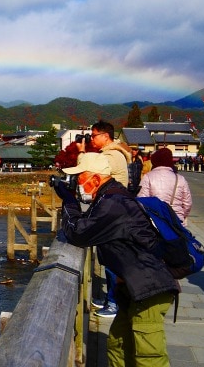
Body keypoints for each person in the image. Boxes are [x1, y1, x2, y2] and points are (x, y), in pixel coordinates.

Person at [55, 153, 178, 367]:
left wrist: (69, 201)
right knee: (117, 345)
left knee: (149, 356)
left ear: (95, 178)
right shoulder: (109, 196)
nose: (76, 182)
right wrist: (73, 200)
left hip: (150, 288)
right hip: (133, 287)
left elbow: (78, 233)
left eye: (79, 177)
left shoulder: (114, 203)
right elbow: (88, 226)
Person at [79, 120, 132, 318]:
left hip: (114, 212)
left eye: (94, 135)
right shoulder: (114, 153)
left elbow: (90, 173)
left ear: (105, 136)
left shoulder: (111, 156)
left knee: (113, 260)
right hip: (115, 209)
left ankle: (114, 302)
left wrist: (82, 154)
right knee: (111, 258)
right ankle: (111, 298)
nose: (91, 139)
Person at [139, 147, 192, 226]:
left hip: (156, 220)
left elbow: (142, 201)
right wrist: (181, 215)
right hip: (176, 221)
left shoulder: (148, 177)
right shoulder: (180, 178)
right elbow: (187, 203)